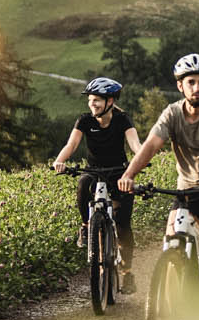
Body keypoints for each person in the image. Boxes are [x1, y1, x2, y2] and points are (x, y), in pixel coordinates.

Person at [119, 52, 199, 273]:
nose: (196, 87)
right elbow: (150, 145)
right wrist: (128, 175)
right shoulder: (172, 114)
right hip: (189, 186)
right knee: (173, 237)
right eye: (191, 82)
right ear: (180, 86)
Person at [52, 77, 142, 292]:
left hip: (120, 173)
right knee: (83, 184)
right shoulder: (84, 121)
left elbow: (135, 144)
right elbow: (71, 144)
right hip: (94, 171)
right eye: (91, 100)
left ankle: (127, 272)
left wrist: (141, 159)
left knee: (123, 225)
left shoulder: (122, 120)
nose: (93, 104)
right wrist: (60, 160)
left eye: (97, 101)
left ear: (110, 101)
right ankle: (86, 227)